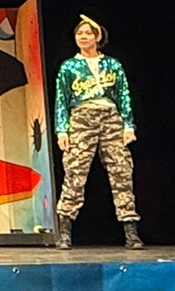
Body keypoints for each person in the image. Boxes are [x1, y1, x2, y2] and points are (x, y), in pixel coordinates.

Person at [54, 15, 142, 249]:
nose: (83, 37)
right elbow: (61, 99)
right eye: (79, 33)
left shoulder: (112, 65)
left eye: (87, 33)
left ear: (97, 37)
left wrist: (128, 125)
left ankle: (130, 230)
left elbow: (123, 95)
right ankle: (65, 231)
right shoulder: (69, 66)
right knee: (75, 170)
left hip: (110, 117)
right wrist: (62, 130)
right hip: (81, 118)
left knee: (121, 170)